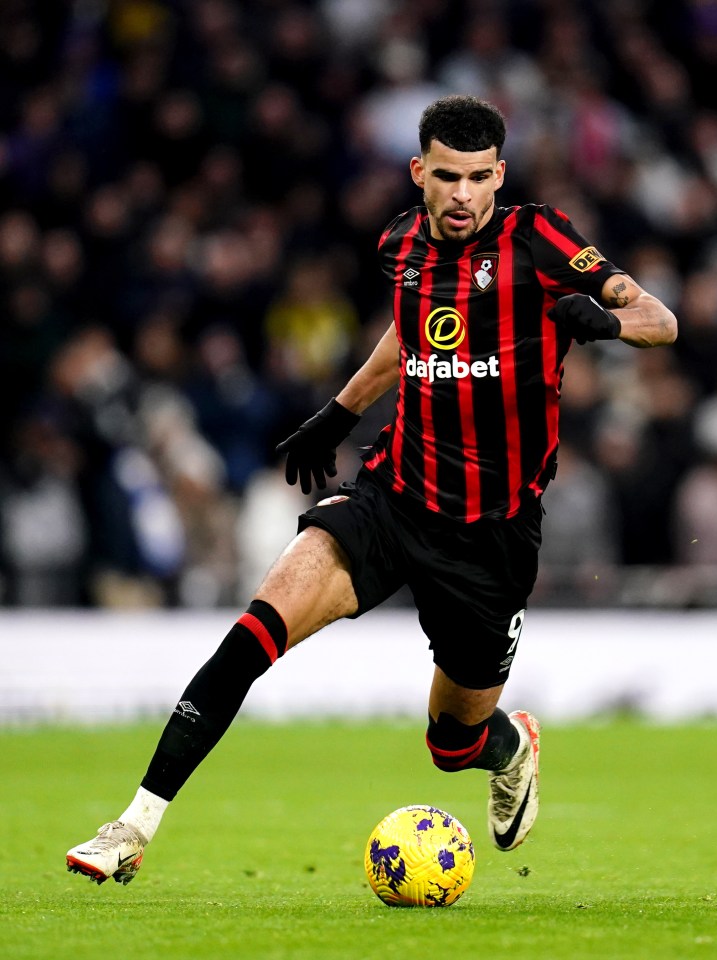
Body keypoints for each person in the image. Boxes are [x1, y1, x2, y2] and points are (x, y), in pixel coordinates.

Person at [65, 95, 677, 885]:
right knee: (254, 633)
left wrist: (605, 323)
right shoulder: (398, 245)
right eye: (448, 177)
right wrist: (338, 411)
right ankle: (132, 827)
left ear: (500, 175)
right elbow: (407, 334)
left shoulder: (539, 239)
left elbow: (660, 320)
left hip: (492, 535)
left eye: (479, 178)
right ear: (419, 171)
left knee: (452, 742)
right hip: (392, 495)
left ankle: (510, 746)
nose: (463, 195)